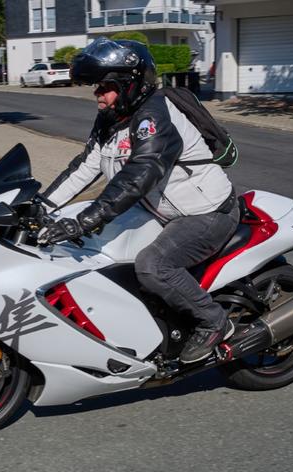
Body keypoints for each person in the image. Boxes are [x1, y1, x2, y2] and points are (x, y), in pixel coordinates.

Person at [37, 37, 240, 363]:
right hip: (160, 210)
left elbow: (140, 174)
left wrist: (86, 220)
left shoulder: (155, 117)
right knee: (91, 252)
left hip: (207, 214)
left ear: (130, 85)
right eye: (95, 86)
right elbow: (85, 167)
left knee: (153, 266)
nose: (97, 94)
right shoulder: (112, 117)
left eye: (105, 86)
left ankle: (214, 320)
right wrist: (41, 207)